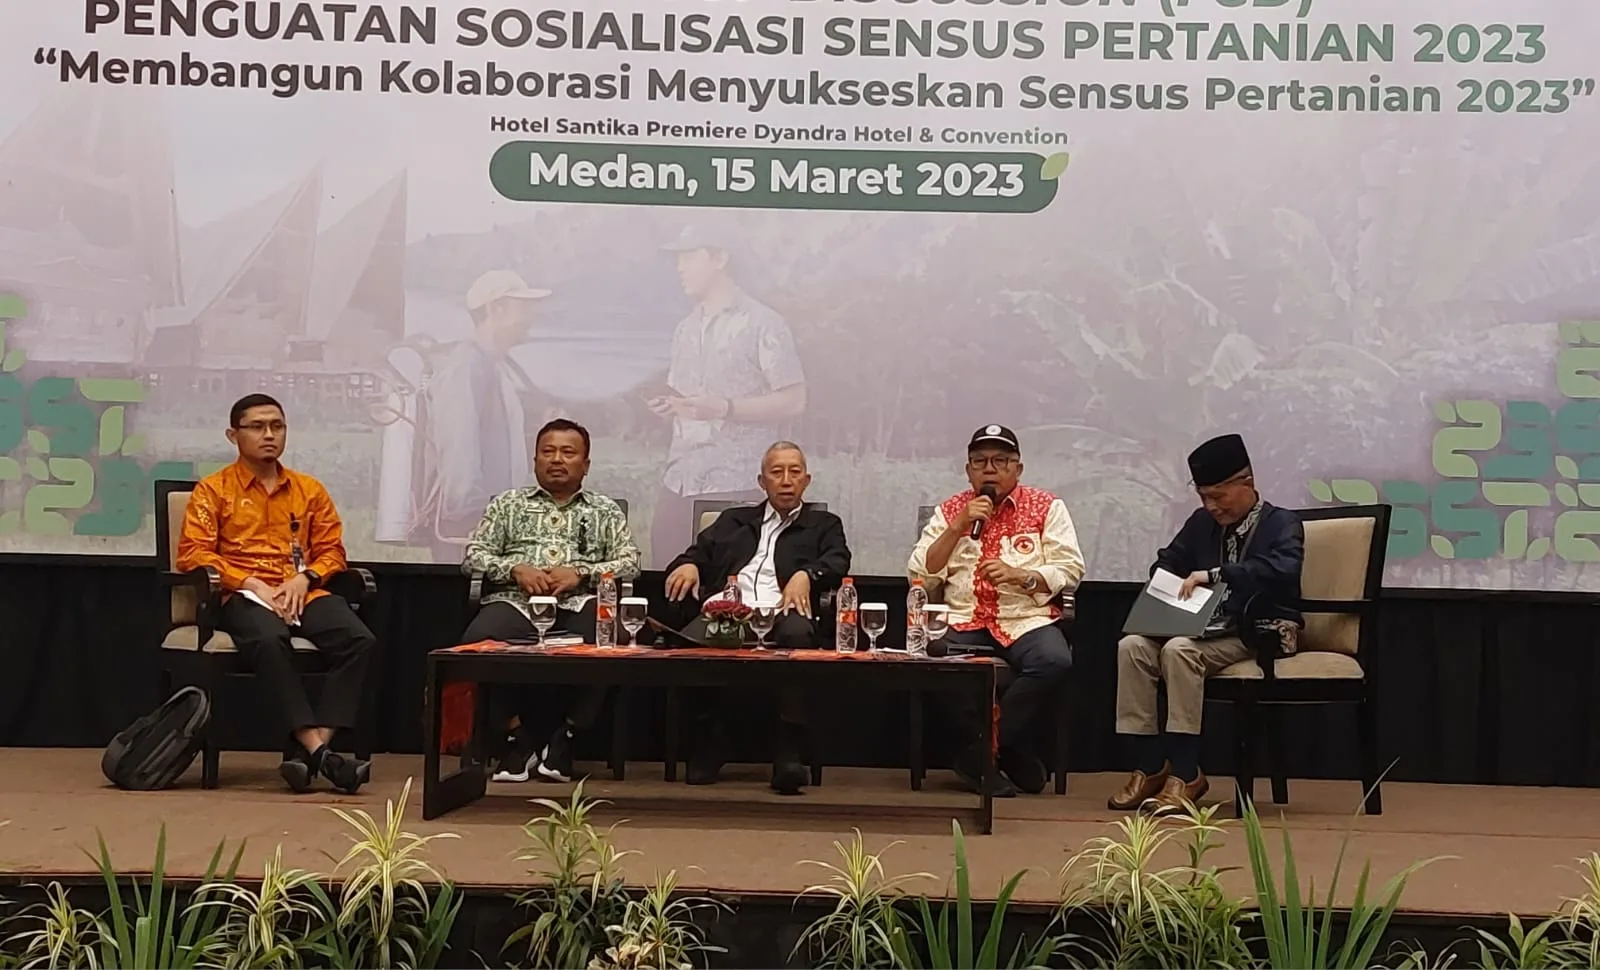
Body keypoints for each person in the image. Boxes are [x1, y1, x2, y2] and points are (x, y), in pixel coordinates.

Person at [177, 393, 375, 795]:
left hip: (300, 592)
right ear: (233, 435)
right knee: (270, 639)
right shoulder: (213, 490)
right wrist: (250, 582)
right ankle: (320, 753)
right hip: (241, 595)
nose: (269, 435)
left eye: (277, 426)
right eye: (257, 427)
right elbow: (192, 553)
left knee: (359, 639)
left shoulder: (308, 489)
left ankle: (313, 750)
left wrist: (307, 578)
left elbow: (333, 551)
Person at [1111, 433, 1304, 815]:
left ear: (1247, 482)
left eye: (1218, 496)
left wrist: (1216, 575)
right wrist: (1165, 582)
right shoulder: (1201, 522)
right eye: (1203, 497)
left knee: (1179, 651)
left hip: (1259, 630)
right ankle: (1150, 764)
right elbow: (1170, 558)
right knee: (1132, 646)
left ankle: (1187, 773)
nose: (1211, 506)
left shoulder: (1282, 523)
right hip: (1204, 628)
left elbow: (1283, 569)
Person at [659, 441, 850, 795]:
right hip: (729, 611)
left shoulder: (823, 524)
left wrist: (807, 574)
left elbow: (838, 560)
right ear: (762, 482)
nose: (786, 480)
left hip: (783, 611)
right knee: (690, 639)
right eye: (777, 472)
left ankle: (788, 752)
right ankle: (710, 741)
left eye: (794, 472)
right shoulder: (734, 521)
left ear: (807, 480)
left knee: (799, 636)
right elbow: (696, 553)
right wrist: (688, 565)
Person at [459, 418, 641, 784]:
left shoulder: (604, 510)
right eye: (548, 451)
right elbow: (473, 556)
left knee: (612, 639)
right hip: (516, 601)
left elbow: (631, 562)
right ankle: (516, 740)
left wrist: (581, 573)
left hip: (579, 602)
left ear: (585, 465)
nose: (557, 459)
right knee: (476, 643)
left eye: (568, 452)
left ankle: (566, 739)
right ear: (535, 460)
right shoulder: (508, 504)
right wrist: (515, 569)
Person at [909, 425, 1084, 797]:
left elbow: (1070, 568)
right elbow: (921, 573)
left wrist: (1024, 576)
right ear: (968, 470)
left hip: (1025, 618)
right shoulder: (950, 511)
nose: (989, 469)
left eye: (1000, 461)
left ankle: (980, 755)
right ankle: (1006, 752)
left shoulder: (1047, 507)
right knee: (934, 657)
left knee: (1054, 660)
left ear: (1017, 469)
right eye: (980, 462)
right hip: (963, 618)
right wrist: (958, 526)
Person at [648, 226, 807, 566]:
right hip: (679, 479)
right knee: (665, 578)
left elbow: (795, 400)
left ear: (720, 258)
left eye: (689, 257)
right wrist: (671, 406)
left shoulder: (763, 323)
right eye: (677, 258)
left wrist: (726, 408)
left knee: (730, 586)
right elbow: (689, 400)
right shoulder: (685, 328)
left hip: (737, 482)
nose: (680, 267)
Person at [417, 269, 550, 561]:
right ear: (496, 308)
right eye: (523, 307)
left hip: (490, 522)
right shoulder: (466, 367)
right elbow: (458, 447)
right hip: (469, 528)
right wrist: (471, 517)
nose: (531, 316)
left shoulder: (492, 366)